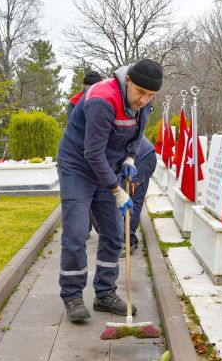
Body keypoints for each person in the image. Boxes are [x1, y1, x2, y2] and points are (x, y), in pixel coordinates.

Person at [57, 59, 163, 322]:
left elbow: (138, 135)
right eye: (140, 92)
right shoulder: (102, 99)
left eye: (150, 95)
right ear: (128, 81)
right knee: (77, 232)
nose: (144, 100)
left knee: (116, 233)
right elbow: (92, 153)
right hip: (78, 167)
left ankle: (104, 293)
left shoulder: (145, 101)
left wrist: (129, 158)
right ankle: (72, 296)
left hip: (109, 165)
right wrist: (117, 191)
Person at [121, 135, 156, 254]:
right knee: (125, 196)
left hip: (143, 158)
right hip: (135, 158)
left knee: (132, 198)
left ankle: (128, 241)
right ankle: (125, 237)